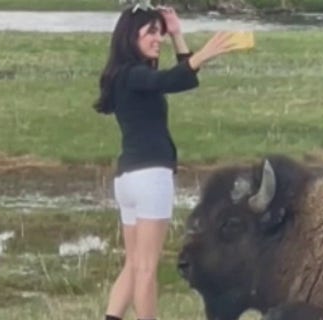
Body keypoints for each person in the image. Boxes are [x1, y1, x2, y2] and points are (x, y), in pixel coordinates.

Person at [92, 4, 239, 320]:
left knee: (134, 264)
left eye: (159, 33)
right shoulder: (133, 76)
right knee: (146, 268)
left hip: (128, 180)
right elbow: (174, 79)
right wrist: (205, 53)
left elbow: (183, 80)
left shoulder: (124, 75)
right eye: (151, 33)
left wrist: (177, 35)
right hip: (150, 179)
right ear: (131, 36)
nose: (157, 39)